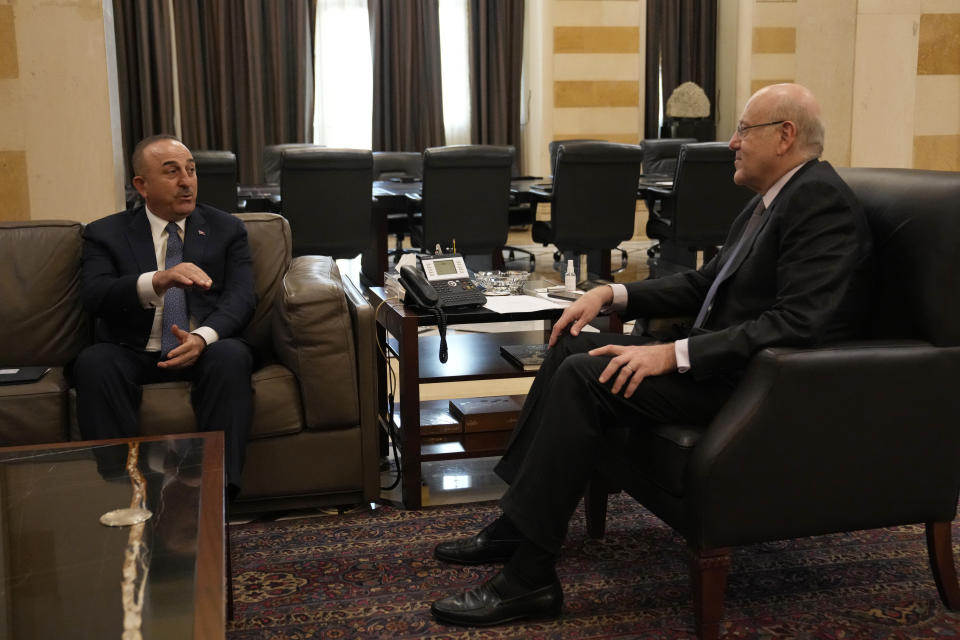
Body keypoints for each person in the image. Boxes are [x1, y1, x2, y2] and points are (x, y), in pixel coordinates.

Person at [429, 83, 874, 626]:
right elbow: (706, 283)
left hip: (754, 385)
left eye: (743, 130)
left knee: (584, 377)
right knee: (570, 340)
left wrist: (673, 355)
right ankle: (517, 527)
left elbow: (798, 324)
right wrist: (610, 293)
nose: (732, 142)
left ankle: (530, 579)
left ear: (785, 136)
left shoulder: (819, 201)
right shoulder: (772, 201)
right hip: (719, 365)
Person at [73, 134, 256, 498]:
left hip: (203, 345)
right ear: (141, 185)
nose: (186, 181)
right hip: (132, 348)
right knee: (94, 363)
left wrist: (203, 336)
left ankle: (218, 494)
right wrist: (156, 281)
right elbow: (94, 295)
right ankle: (123, 495)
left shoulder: (226, 229)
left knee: (232, 356)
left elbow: (242, 297)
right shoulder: (104, 234)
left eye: (190, 170)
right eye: (171, 173)